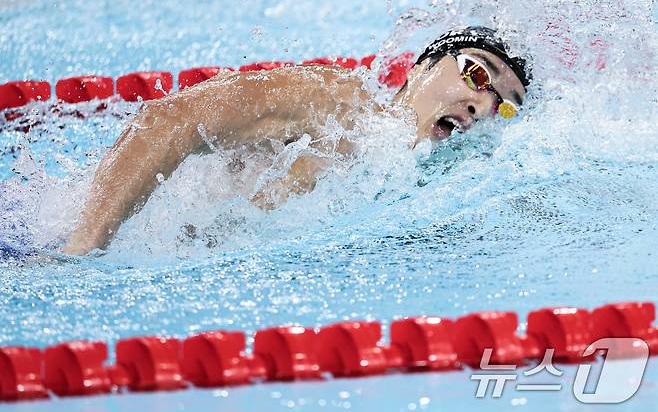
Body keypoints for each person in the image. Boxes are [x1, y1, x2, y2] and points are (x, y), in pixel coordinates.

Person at [62, 26, 531, 255]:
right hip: (117, 250)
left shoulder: (443, 189)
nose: (483, 107)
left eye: (503, 106)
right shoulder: (339, 104)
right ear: (421, 67)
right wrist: (86, 244)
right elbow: (172, 119)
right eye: (476, 74)